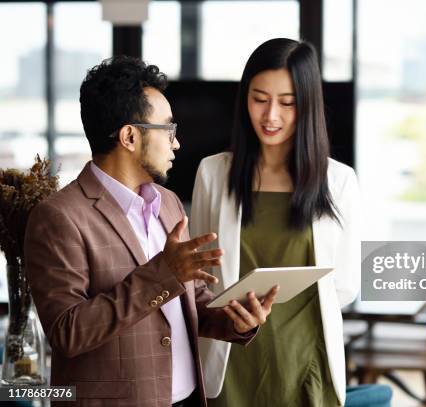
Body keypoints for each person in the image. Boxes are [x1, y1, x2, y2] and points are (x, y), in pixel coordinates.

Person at [24, 56, 278, 407]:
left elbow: (189, 299)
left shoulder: (169, 202)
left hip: (188, 399)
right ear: (129, 136)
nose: (177, 144)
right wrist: (164, 275)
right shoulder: (58, 217)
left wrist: (237, 321)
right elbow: (68, 332)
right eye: (168, 130)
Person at [191, 38, 360, 406]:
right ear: (244, 99)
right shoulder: (213, 174)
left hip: (306, 359)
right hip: (230, 360)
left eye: (287, 103)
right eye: (259, 98)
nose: (271, 116)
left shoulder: (339, 181)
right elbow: (199, 278)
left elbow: (345, 285)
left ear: (308, 105)